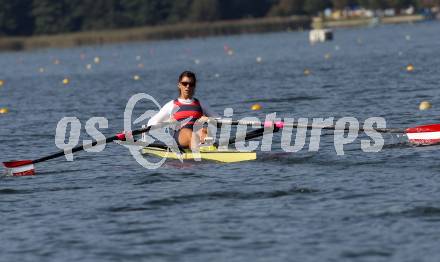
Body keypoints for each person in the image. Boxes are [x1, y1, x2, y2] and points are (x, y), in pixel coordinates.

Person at [147, 71, 218, 149]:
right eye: (184, 83)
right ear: (179, 85)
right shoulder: (171, 105)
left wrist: (208, 119)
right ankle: (203, 149)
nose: (187, 86)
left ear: (194, 86)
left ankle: (206, 148)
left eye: (191, 84)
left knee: (205, 130)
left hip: (198, 133)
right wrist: (167, 123)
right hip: (181, 136)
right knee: (188, 133)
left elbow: (219, 120)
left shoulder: (201, 104)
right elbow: (150, 123)